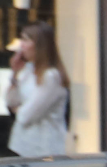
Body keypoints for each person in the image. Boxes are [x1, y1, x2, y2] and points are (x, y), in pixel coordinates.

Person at [7, 22, 69, 158]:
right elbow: (10, 102)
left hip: (45, 149)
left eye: (25, 40)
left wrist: (19, 109)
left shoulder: (52, 77)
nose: (21, 46)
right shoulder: (27, 71)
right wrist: (14, 74)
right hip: (23, 146)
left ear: (39, 45)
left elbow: (26, 116)